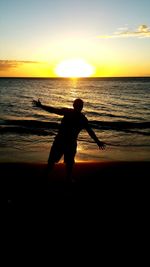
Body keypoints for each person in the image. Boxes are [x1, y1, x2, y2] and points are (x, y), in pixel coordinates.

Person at [32, 98, 105, 181]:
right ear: (77, 106)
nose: (79, 107)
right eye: (79, 106)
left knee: (64, 163)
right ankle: (60, 178)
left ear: (76, 106)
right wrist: (97, 141)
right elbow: (53, 110)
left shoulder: (78, 117)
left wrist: (98, 141)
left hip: (65, 142)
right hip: (64, 142)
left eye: (80, 106)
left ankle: (63, 178)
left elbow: (90, 131)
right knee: (60, 162)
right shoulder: (78, 116)